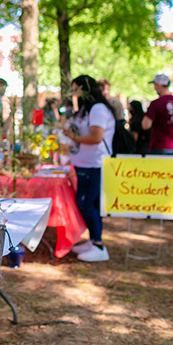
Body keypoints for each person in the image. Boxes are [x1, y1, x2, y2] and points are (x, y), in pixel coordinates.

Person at [62, 75, 115, 262]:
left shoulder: (98, 109)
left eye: (76, 89)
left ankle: (99, 245)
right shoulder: (86, 109)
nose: (73, 93)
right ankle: (93, 240)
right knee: (87, 203)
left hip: (95, 163)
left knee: (87, 203)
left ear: (84, 89)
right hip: (84, 162)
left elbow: (96, 137)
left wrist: (75, 139)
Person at [142, 74, 173, 157]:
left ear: (159, 85)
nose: (154, 88)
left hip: (158, 146)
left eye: (155, 85)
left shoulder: (155, 104)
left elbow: (145, 125)